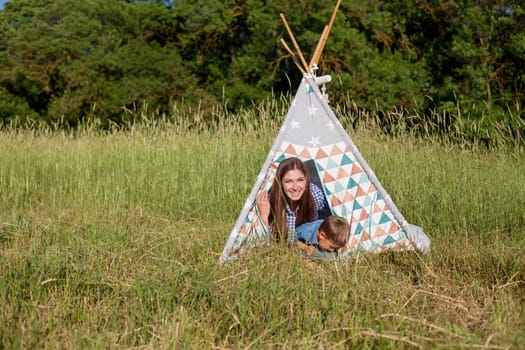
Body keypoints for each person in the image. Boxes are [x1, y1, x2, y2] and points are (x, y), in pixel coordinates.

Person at [257, 157, 328, 243]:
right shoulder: (269, 201)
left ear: (306, 179)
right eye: (288, 181)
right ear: (280, 183)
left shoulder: (314, 194)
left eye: (300, 180)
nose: (295, 187)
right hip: (283, 246)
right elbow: (265, 243)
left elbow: (327, 216)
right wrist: (264, 218)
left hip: (305, 242)